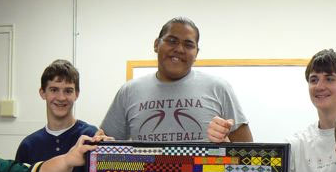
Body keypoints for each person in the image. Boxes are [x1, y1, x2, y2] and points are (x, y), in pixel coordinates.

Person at [100, 17, 252, 143]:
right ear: (156, 45)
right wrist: (100, 142)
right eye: (172, 41)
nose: (179, 49)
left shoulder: (218, 88)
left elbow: (250, 155)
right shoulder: (129, 91)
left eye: (188, 44)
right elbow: (104, 145)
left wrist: (226, 145)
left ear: (196, 53)